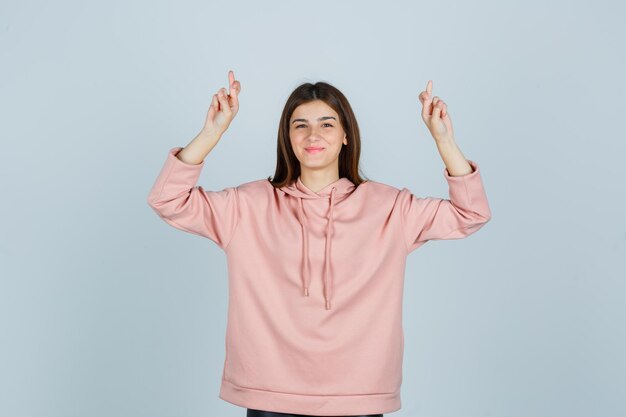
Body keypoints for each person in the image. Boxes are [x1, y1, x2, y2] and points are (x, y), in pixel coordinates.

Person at [147, 70, 492, 417]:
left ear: (345, 135)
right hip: (269, 393)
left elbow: (471, 213)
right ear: (288, 137)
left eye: (327, 124)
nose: (313, 135)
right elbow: (168, 200)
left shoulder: (390, 207)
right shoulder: (247, 205)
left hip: (360, 394)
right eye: (300, 125)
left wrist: (443, 140)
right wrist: (212, 132)